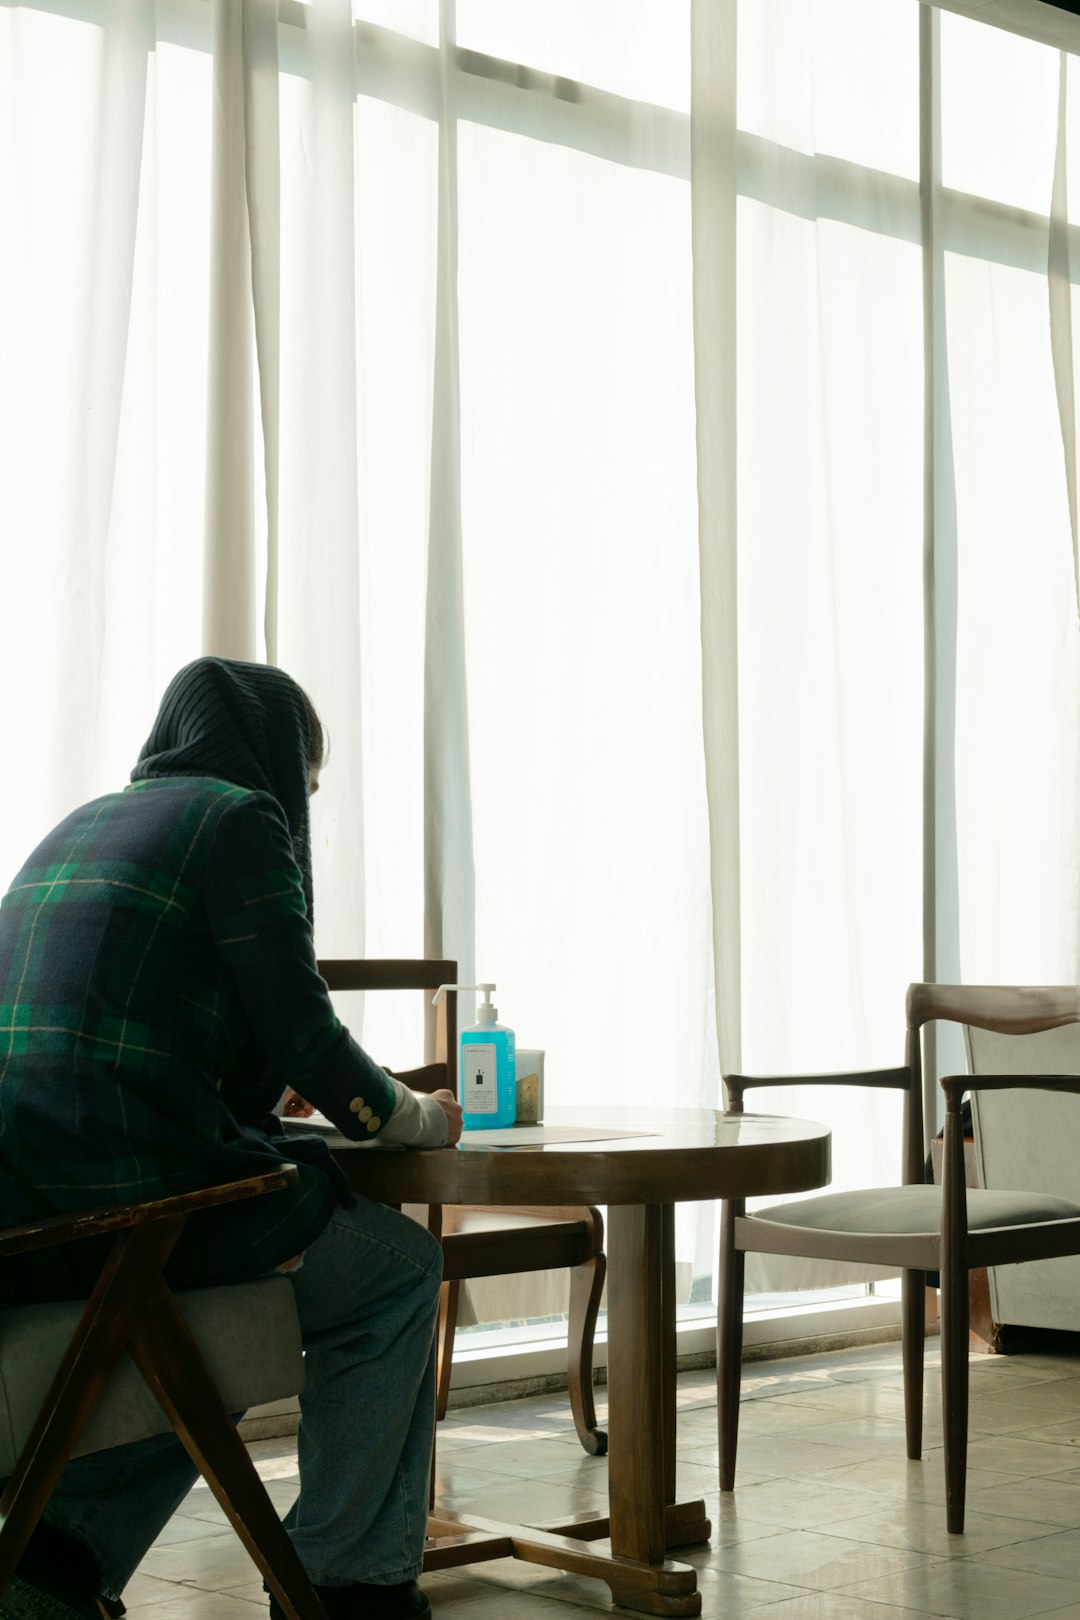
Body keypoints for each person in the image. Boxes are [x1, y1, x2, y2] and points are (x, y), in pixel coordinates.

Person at [0, 658, 462, 1620]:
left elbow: (115, 1024)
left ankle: (57, 1555)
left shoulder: (79, 823)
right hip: (137, 1205)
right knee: (399, 1269)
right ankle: (351, 1584)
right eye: (312, 781)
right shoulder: (236, 819)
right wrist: (417, 1116)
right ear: (279, 760)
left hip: (28, 1212)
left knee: (193, 1326)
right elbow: (306, 1033)